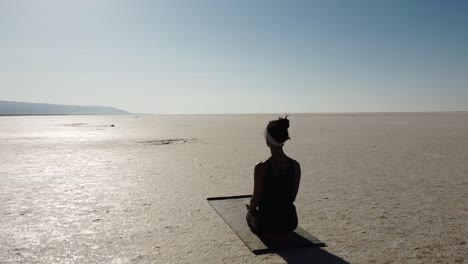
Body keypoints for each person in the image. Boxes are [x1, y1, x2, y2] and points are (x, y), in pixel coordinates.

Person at [246, 116, 301, 237]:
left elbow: (255, 199)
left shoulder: (261, 167)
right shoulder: (295, 165)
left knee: (249, 215)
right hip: (290, 222)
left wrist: (251, 208)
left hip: (266, 224)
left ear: (268, 140)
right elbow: (292, 196)